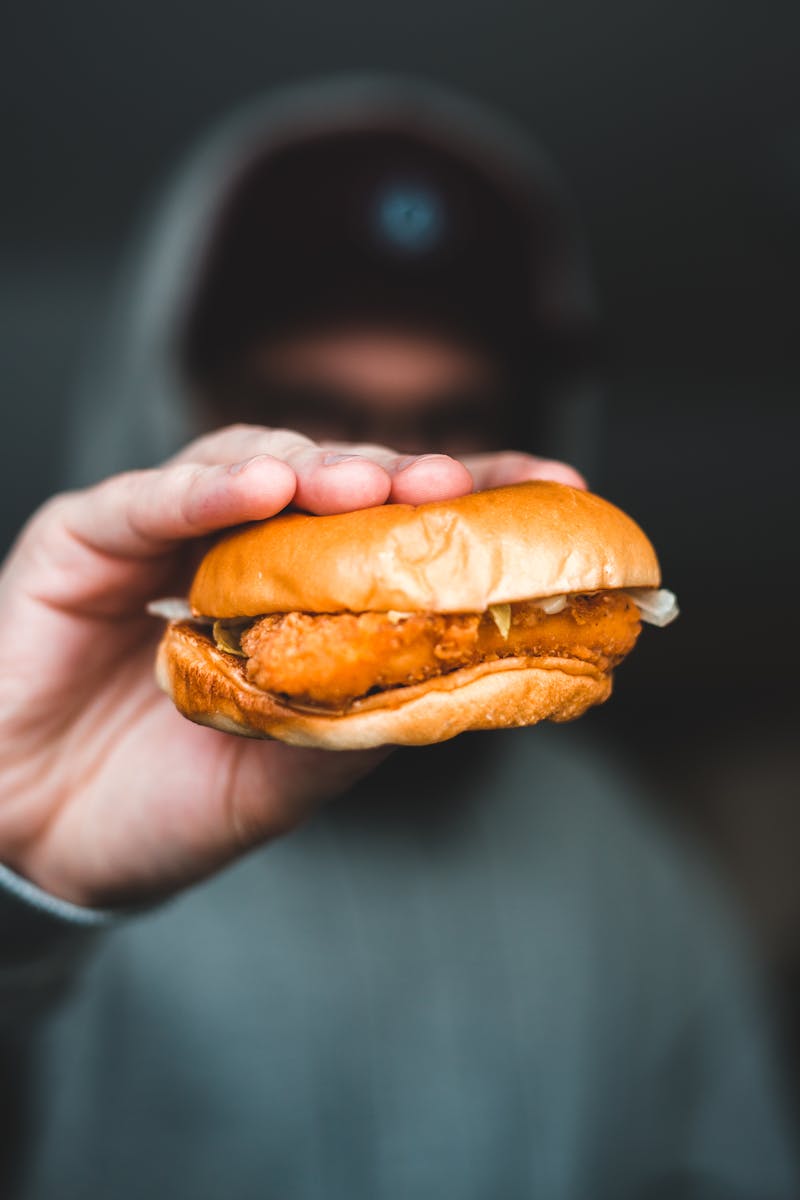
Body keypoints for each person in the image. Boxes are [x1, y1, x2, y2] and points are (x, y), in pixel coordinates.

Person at [1, 76, 796, 1200]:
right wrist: (19, 882)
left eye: (448, 420)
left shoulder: (625, 862)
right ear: (180, 408)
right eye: (312, 409)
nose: (381, 484)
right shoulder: (65, 809)